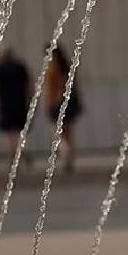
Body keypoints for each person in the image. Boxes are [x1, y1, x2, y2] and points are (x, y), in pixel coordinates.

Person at [0, 47, 32, 165]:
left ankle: (12, 158)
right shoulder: (20, 67)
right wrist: (31, 101)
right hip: (20, 104)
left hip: (5, 105)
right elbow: (28, 87)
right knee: (21, 131)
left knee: (8, 134)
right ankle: (25, 150)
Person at [45, 44, 82, 173]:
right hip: (69, 102)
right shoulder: (68, 66)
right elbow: (75, 86)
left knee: (55, 132)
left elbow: (50, 90)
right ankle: (69, 156)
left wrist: (47, 105)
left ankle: (66, 151)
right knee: (68, 132)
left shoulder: (51, 69)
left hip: (55, 103)